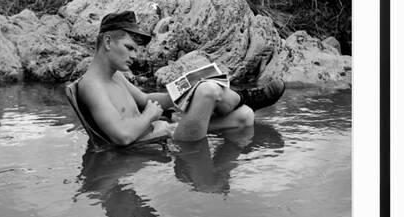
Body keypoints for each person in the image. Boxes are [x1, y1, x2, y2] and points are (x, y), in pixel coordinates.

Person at [78, 11, 285, 145]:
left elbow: (145, 100)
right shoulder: (92, 85)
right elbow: (122, 136)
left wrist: (181, 90)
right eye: (129, 48)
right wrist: (149, 116)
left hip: (164, 129)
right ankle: (244, 97)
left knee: (245, 117)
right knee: (208, 90)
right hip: (158, 140)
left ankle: (237, 164)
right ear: (107, 42)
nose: (134, 56)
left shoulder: (116, 77)